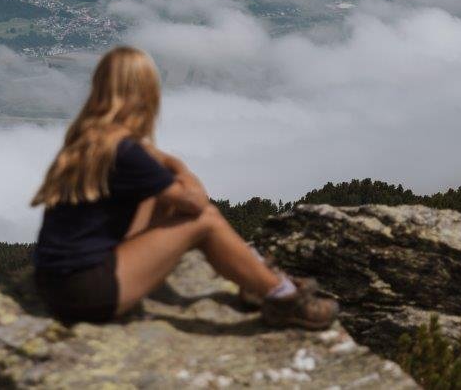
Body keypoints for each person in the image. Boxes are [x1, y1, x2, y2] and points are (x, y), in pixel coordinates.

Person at [30, 45, 337, 328]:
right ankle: (282, 297)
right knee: (205, 220)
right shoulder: (125, 152)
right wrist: (177, 165)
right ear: (146, 94)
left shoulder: (86, 137)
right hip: (86, 293)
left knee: (159, 198)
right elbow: (197, 203)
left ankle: (254, 277)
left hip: (56, 283)